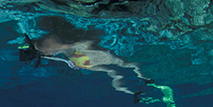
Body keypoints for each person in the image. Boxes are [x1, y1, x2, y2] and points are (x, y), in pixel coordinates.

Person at [19, 17, 152, 95]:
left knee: (116, 71)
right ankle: (137, 86)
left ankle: (136, 87)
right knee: (122, 68)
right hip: (87, 57)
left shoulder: (59, 47)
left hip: (84, 59)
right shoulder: (65, 45)